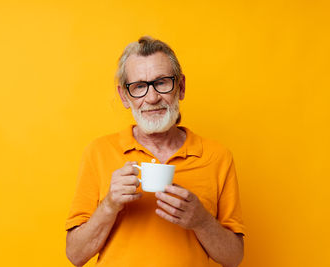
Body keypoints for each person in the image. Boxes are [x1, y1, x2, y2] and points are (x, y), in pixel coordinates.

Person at [65, 36, 245, 267]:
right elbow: (75, 255)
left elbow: (234, 258)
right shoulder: (98, 152)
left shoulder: (217, 156)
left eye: (161, 83)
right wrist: (109, 205)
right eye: (139, 86)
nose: (152, 98)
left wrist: (201, 220)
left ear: (180, 87)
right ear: (124, 97)